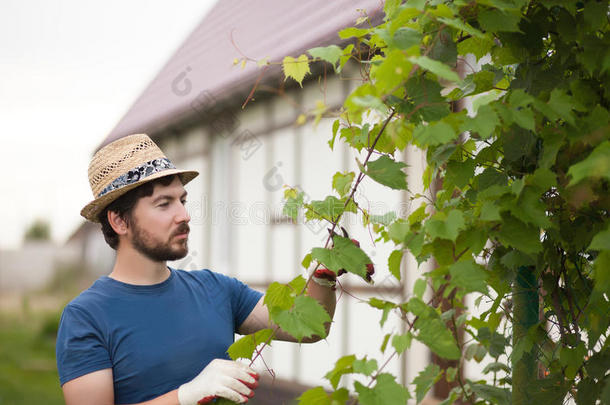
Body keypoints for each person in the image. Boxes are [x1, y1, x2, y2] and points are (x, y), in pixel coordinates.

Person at [56, 134, 338, 405]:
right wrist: (184, 397)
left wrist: (323, 277)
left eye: (182, 200)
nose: (184, 215)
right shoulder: (86, 317)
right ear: (119, 221)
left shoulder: (217, 290)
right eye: (164, 204)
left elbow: (311, 327)